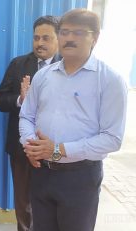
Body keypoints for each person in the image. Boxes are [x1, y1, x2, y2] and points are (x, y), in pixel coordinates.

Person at [19, 8, 127, 231]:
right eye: (65, 32)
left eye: (78, 32)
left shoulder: (109, 80)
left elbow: (111, 138)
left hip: (80, 178)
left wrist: (58, 150)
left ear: (94, 38)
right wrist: (31, 146)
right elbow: (26, 115)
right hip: (41, 173)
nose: (69, 38)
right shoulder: (44, 75)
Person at [0, 15, 60, 231]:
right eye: (36, 37)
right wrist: (21, 100)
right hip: (23, 148)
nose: (40, 43)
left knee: (53, 202)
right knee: (24, 202)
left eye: (46, 38)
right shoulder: (19, 64)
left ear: (58, 39)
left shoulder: (67, 66)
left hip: (56, 148)